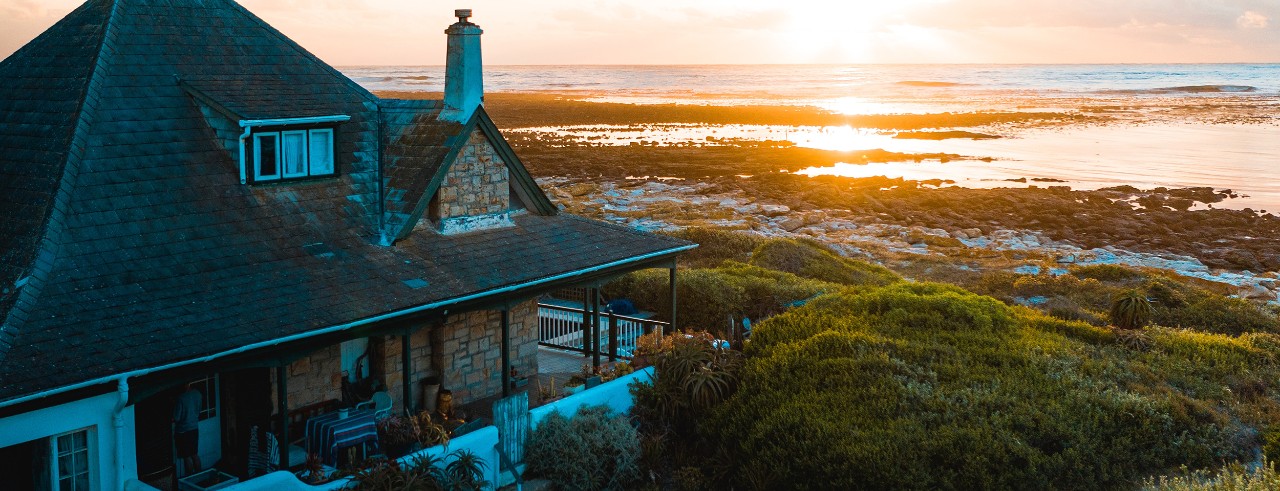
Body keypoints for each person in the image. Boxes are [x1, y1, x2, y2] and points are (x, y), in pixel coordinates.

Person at [173, 382, 202, 476]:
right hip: (194, 428)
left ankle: (189, 479)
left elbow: (176, 417)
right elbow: (199, 410)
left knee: (187, 456)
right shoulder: (198, 394)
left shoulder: (180, 398)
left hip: (182, 431)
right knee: (194, 454)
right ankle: (200, 476)